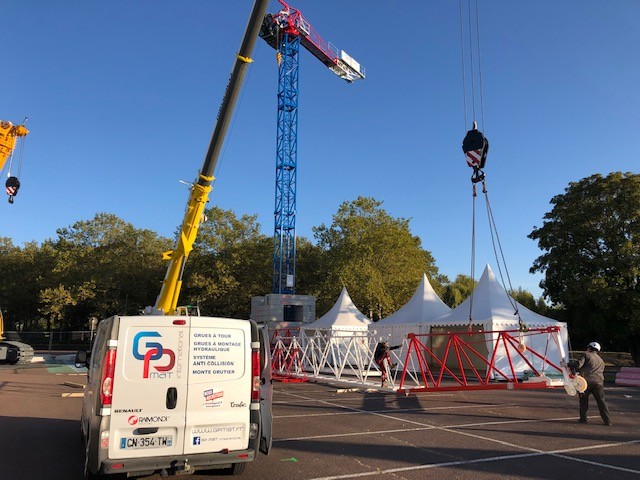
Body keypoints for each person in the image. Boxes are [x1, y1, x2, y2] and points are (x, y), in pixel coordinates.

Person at [570, 341, 611, 426]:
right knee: (601, 401)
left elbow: (578, 365)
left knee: (583, 401)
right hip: (599, 382)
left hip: (586, 382)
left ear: (589, 348)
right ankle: (607, 421)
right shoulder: (600, 360)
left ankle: (583, 419)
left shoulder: (586, 355)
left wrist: (569, 364)